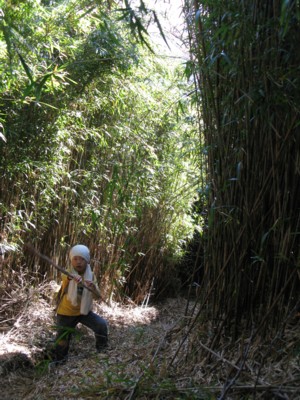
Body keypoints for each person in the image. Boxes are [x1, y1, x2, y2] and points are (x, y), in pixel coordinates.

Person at [52, 244, 108, 363]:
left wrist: (93, 287)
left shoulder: (91, 275)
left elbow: (97, 296)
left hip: (84, 311)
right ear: (71, 260)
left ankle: (102, 352)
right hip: (66, 312)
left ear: (87, 261)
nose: (78, 262)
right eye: (75, 259)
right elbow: (66, 278)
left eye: (82, 259)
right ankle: (59, 362)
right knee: (62, 340)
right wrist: (72, 277)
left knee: (101, 325)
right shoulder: (68, 273)